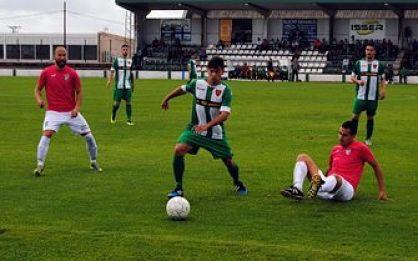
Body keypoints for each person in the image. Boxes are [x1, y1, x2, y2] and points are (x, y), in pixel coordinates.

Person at [161, 56, 247, 199]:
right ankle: (178, 188)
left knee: (229, 162)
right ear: (207, 70)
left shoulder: (225, 90)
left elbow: (225, 114)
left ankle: (238, 183)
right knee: (179, 149)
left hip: (215, 134)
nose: (213, 75)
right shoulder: (197, 84)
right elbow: (182, 89)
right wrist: (166, 98)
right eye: (211, 71)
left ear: (222, 72)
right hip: (194, 129)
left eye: (217, 72)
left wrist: (207, 126)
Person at [33, 46, 102, 176]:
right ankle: (40, 165)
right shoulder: (47, 72)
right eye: (59, 55)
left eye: (64, 55)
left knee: (89, 137)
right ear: (54, 56)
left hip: (71, 112)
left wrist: (77, 108)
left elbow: (79, 91)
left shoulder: (72, 73)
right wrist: (39, 100)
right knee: (46, 134)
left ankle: (93, 161)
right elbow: (37, 90)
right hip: (53, 112)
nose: (62, 58)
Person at [281, 121, 388, 202]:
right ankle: (297, 189)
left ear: (353, 136)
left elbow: (376, 166)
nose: (341, 137)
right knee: (303, 156)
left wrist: (382, 190)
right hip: (328, 187)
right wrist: (322, 176)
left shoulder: (361, 148)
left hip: (346, 190)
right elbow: (331, 168)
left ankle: (319, 185)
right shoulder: (335, 149)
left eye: (345, 135)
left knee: (337, 178)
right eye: (340, 133)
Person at [350, 44, 387, 146]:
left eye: (371, 50)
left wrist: (383, 90)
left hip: (372, 98)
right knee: (354, 117)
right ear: (365, 51)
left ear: (374, 52)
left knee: (370, 117)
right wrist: (358, 81)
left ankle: (368, 139)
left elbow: (383, 79)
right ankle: (353, 137)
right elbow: (352, 77)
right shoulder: (359, 63)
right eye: (367, 50)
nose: (369, 52)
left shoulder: (379, 65)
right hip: (360, 97)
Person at [107, 44, 135, 125]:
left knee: (129, 103)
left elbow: (132, 74)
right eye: (124, 49)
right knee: (116, 104)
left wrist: (133, 84)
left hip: (127, 86)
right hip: (119, 86)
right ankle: (113, 114)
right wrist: (109, 81)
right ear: (121, 50)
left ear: (128, 51)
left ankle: (129, 120)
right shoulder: (117, 60)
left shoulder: (130, 61)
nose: (125, 51)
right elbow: (112, 70)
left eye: (126, 50)